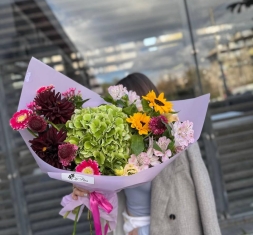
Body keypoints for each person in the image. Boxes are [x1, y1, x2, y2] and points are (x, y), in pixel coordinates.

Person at [72, 73, 221, 235]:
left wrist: (142, 232)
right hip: (126, 226)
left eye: (128, 107)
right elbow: (107, 199)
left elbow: (204, 197)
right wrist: (86, 188)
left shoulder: (181, 142)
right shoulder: (115, 149)